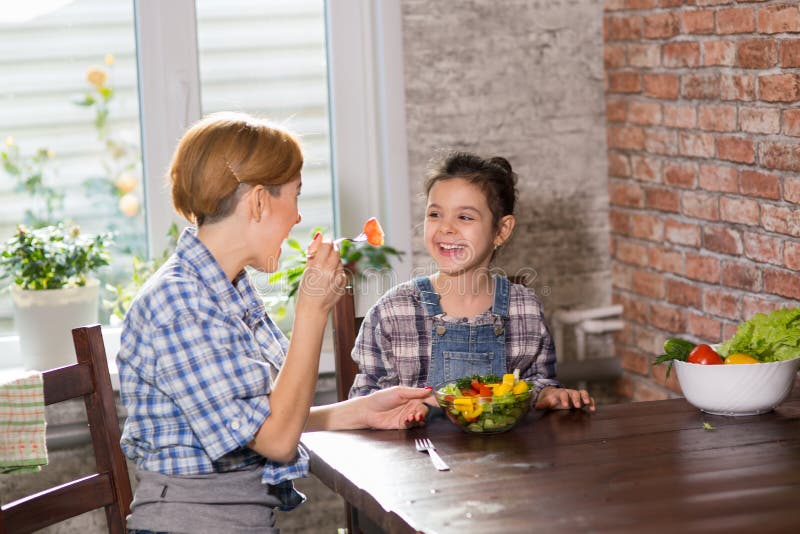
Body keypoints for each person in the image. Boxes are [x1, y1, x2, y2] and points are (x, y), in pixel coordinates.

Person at [117, 112, 431, 534]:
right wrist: (312, 310)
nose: (298, 217)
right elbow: (278, 442)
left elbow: (264, 421)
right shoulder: (181, 303)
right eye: (296, 196)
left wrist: (360, 412)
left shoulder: (227, 289)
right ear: (260, 201)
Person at [349, 151, 595, 413]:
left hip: (505, 453)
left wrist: (547, 394)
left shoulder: (524, 308)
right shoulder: (393, 312)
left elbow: (537, 381)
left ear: (501, 231)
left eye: (464, 217)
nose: (446, 228)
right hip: (418, 452)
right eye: (435, 214)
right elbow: (364, 405)